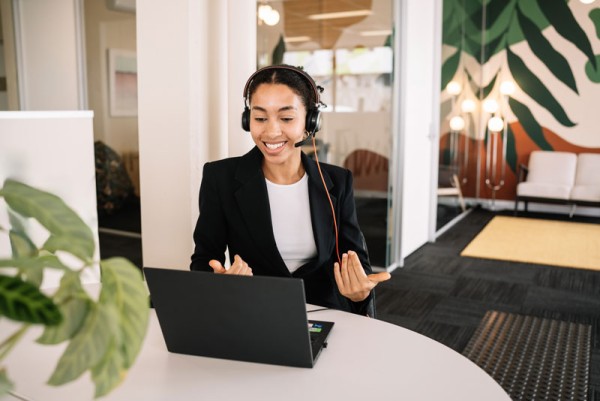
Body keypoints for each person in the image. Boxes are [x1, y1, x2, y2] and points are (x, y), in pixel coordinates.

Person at [190, 65, 390, 315]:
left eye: (286, 118)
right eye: (260, 118)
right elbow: (204, 260)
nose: (271, 131)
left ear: (310, 123)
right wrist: (219, 282)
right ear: (247, 120)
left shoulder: (338, 181)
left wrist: (360, 292)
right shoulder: (220, 178)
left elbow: (355, 262)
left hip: (325, 312)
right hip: (255, 310)